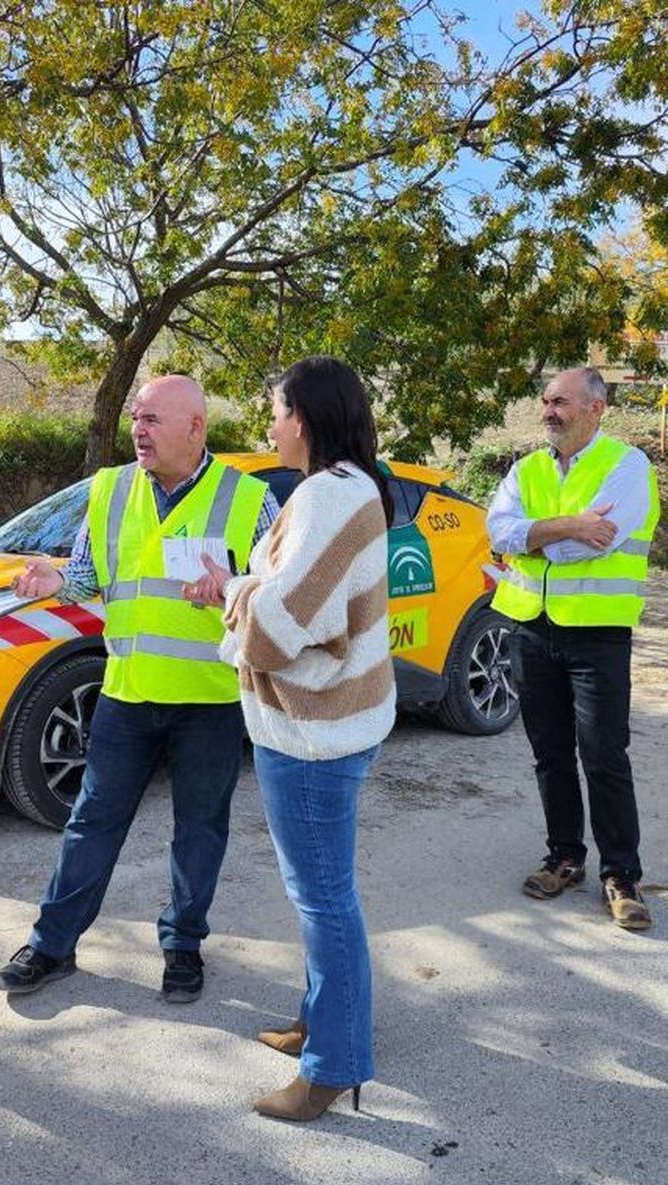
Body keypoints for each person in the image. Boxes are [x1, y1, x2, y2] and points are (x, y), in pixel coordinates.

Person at [0, 375, 277, 1003]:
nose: (138, 431)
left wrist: (234, 588)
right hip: (127, 690)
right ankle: (51, 944)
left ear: (195, 428)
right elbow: (92, 575)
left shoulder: (250, 499)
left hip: (210, 698)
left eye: (151, 419)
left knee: (199, 830)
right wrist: (55, 581)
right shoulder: (110, 488)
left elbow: (279, 596)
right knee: (91, 822)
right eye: (135, 419)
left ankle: (183, 947)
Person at [191, 356, 395, 1122]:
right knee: (322, 894)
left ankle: (333, 1066)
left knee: (323, 901)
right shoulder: (349, 491)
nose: (268, 423)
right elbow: (306, 601)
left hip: (312, 735)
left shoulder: (323, 496)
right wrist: (245, 588)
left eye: (274, 409)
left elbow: (283, 623)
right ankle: (322, 1020)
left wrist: (233, 590)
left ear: (302, 419)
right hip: (336, 724)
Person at [485, 366, 661, 930]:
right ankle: (564, 858)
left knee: (604, 756)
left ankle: (621, 876)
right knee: (550, 753)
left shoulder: (628, 466)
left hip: (597, 632)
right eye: (545, 401)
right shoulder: (527, 469)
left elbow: (597, 544)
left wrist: (536, 539)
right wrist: (566, 527)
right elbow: (497, 532)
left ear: (596, 407)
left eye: (560, 401)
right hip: (531, 629)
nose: (549, 411)